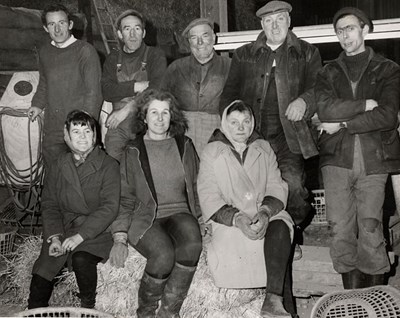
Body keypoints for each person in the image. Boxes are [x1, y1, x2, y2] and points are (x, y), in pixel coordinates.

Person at [316, 7, 400, 289]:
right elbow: (325, 109)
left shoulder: (388, 69)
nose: (344, 35)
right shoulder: (328, 71)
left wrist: (342, 124)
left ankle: (375, 297)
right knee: (339, 230)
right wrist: (365, 105)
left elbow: (388, 115)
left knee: (371, 227)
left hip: (374, 159)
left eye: (350, 28)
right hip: (336, 160)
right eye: (339, 30)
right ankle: (352, 300)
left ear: (365, 30)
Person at [220, 0, 322, 228]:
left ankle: (291, 231)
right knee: (251, 189)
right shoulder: (243, 54)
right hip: (253, 136)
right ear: (262, 25)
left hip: (290, 138)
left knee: (294, 187)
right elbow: (228, 96)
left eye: (280, 19)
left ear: (289, 21)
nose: (274, 26)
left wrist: (304, 101)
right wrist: (232, 126)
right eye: (268, 21)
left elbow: (320, 89)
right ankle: (257, 233)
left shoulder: (308, 53)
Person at [109, 89, 203, 317]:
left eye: (165, 112)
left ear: (172, 116)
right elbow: (124, 197)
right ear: (143, 116)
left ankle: (169, 312)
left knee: (192, 243)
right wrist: (119, 236)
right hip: (145, 217)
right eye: (154, 112)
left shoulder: (185, 145)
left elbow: (198, 185)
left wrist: (202, 218)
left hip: (180, 212)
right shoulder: (132, 150)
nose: (160, 119)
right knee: (163, 255)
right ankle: (146, 313)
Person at [198, 100, 295, 318]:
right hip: (230, 220)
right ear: (224, 124)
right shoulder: (211, 152)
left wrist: (266, 212)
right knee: (247, 250)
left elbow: (275, 184)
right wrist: (237, 218)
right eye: (234, 123)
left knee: (280, 230)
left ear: (252, 124)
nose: (241, 128)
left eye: (246, 122)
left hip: (263, 212)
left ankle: (274, 301)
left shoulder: (264, 148)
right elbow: (208, 195)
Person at [27, 110, 120, 309]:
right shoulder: (58, 165)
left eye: (87, 131)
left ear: (95, 135)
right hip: (64, 228)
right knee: (42, 274)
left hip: (96, 231)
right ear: (66, 136)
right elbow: (50, 204)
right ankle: (34, 311)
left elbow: (109, 207)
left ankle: (87, 308)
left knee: (81, 259)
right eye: (76, 132)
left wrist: (80, 237)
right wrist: (53, 238)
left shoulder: (109, 165)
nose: (82, 137)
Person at [28, 4, 102, 167]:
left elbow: (94, 93)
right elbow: (44, 82)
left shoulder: (85, 51)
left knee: (81, 178)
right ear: (46, 28)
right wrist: (37, 105)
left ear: (70, 24)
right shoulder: (45, 52)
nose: (57, 29)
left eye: (61, 23)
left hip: (78, 128)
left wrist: (84, 129)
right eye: (52, 24)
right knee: (54, 176)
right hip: (54, 128)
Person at [101, 9, 167, 162]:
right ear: (119, 34)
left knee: (149, 167)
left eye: (137, 28)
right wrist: (136, 86)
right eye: (127, 29)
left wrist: (129, 107)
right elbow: (107, 91)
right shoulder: (112, 59)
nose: (132, 34)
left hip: (147, 121)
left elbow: (158, 88)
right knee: (112, 164)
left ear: (143, 33)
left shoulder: (155, 55)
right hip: (118, 123)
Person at [160, 18, 231, 156]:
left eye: (205, 36)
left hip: (219, 131)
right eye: (194, 37)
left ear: (214, 38)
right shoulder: (175, 68)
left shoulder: (230, 66)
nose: (200, 42)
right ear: (189, 42)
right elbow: (162, 100)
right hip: (183, 131)